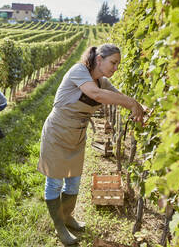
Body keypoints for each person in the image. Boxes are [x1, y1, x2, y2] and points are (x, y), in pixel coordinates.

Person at [38, 44, 144, 245]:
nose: (116, 68)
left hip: (77, 135)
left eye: (118, 64)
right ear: (99, 59)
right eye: (113, 63)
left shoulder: (102, 82)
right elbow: (95, 95)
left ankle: (68, 216)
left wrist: (142, 108)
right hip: (57, 133)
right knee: (54, 182)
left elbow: (119, 97)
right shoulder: (78, 71)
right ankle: (59, 225)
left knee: (74, 181)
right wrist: (131, 103)